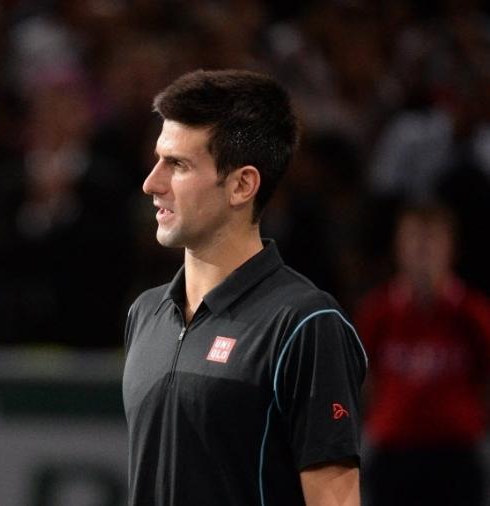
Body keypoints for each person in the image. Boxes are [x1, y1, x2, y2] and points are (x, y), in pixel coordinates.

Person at [122, 70, 367, 506]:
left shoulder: (306, 323)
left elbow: (335, 498)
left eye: (177, 164)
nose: (151, 183)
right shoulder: (145, 314)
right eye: (158, 160)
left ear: (242, 185)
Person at [357, 203, 490, 506]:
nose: (423, 250)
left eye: (432, 240)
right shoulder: (377, 312)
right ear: (398, 247)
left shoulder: (474, 313)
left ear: (451, 247)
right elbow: (365, 382)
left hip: (458, 453)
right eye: (414, 239)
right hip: (393, 453)